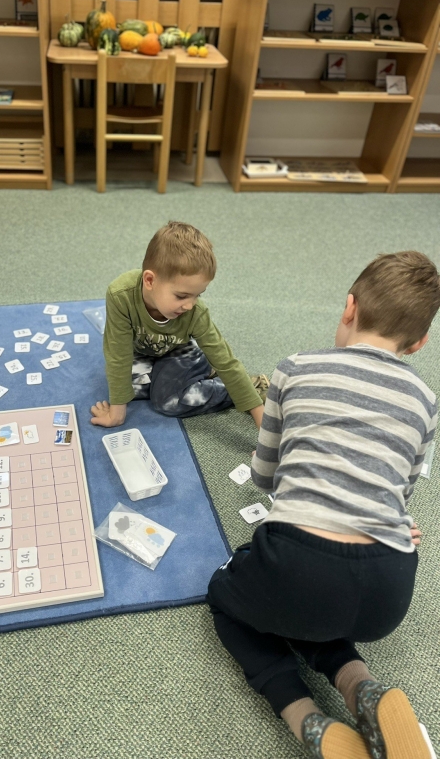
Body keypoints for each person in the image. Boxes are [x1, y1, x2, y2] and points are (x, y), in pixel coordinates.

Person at [207, 251, 439, 759]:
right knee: (313, 611)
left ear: (349, 307)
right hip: (389, 586)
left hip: (299, 565)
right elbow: (400, 494)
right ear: (419, 343)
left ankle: (306, 719)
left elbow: (265, 476)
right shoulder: (425, 399)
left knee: (228, 599)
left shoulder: (295, 368)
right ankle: (364, 689)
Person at [90, 221, 268, 429]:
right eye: (182, 296)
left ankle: (249, 385)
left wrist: (259, 416)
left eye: (198, 295)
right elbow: (118, 355)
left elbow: (226, 361)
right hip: (147, 352)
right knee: (124, 385)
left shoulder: (195, 312)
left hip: (180, 352)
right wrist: (117, 414)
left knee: (167, 402)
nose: (190, 305)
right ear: (150, 280)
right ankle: (194, 375)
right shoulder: (120, 295)